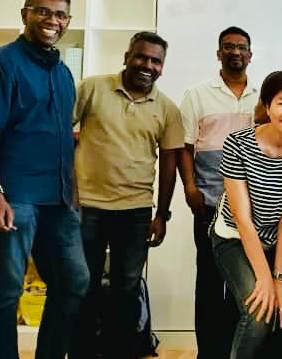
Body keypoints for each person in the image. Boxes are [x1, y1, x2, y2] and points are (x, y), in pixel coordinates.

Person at [0, 0, 90, 359]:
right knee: (7, 289)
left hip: (58, 199)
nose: (52, 20)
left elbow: (65, 139)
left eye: (60, 15)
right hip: (13, 196)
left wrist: (72, 192)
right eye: (43, 11)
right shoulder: (0, 64)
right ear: (25, 14)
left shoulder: (64, 74)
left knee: (74, 280)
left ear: (68, 21)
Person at [70, 31, 183, 359]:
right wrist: (69, 192)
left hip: (135, 212)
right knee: (83, 284)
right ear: (127, 57)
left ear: (162, 67)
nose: (147, 65)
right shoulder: (92, 88)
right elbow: (60, 132)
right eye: (141, 57)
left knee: (127, 288)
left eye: (155, 61)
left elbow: (170, 163)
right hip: (87, 207)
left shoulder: (167, 109)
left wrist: (162, 214)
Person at [211, 69, 282, 359]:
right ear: (267, 104)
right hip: (235, 236)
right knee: (259, 312)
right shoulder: (237, 144)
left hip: (280, 237)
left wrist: (280, 279)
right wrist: (264, 278)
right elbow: (242, 220)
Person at [178, 26, 256, 358]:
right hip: (209, 203)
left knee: (243, 284)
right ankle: (209, 352)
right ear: (218, 53)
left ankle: (236, 351)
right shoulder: (197, 94)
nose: (235, 52)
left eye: (241, 47)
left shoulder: (262, 96)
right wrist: (190, 187)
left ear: (250, 54)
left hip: (251, 209)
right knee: (210, 281)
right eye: (228, 46)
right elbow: (184, 147)